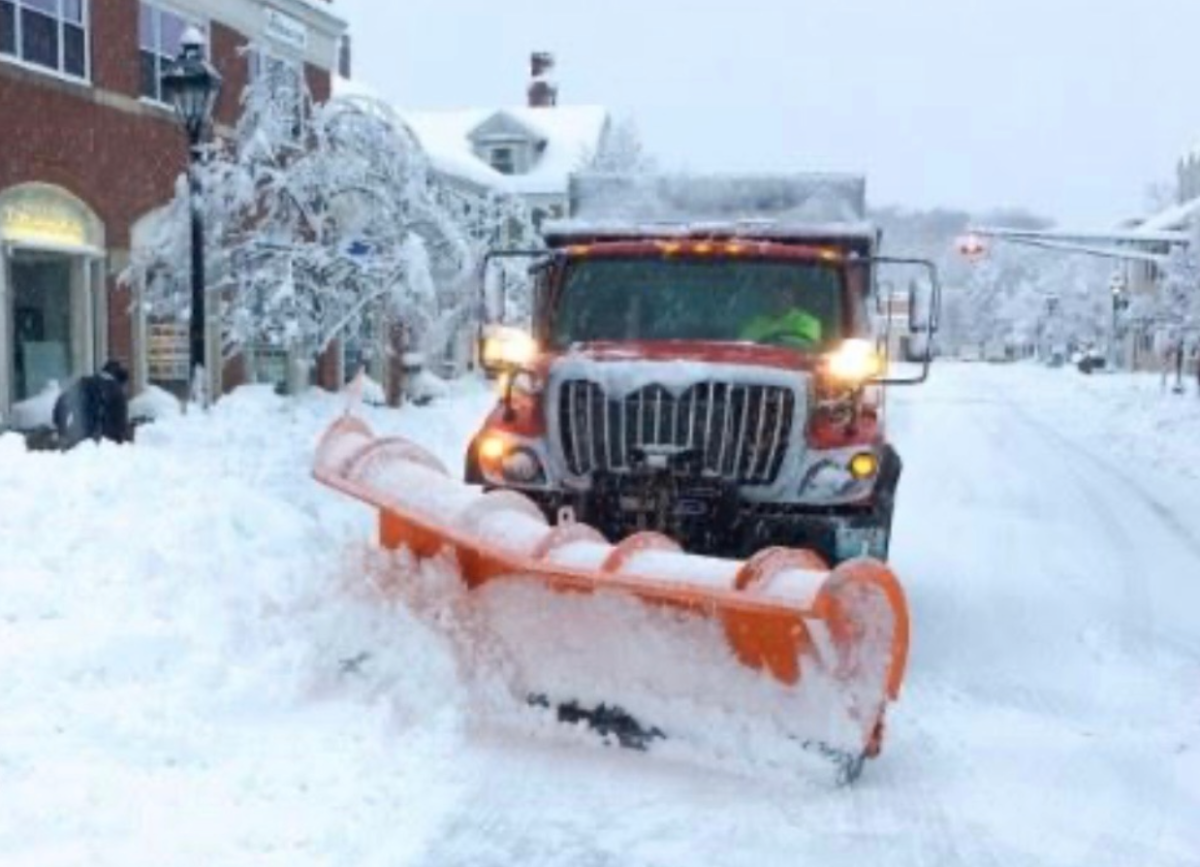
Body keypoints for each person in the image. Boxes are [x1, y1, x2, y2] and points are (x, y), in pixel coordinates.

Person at [53, 360, 131, 450]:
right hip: (103, 445)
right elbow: (121, 426)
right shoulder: (117, 392)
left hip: (77, 439)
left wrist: (62, 430)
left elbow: (61, 403)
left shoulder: (84, 383)